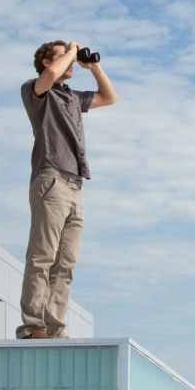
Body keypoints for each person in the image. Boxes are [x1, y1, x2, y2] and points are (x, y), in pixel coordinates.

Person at [16, 40, 117, 339]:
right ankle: (33, 326)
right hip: (51, 180)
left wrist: (94, 67)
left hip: (75, 184)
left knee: (66, 263)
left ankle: (54, 327)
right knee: (42, 256)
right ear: (46, 62)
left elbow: (109, 97)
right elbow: (47, 79)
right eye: (63, 57)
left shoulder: (71, 97)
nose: (72, 62)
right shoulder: (35, 90)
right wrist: (71, 50)